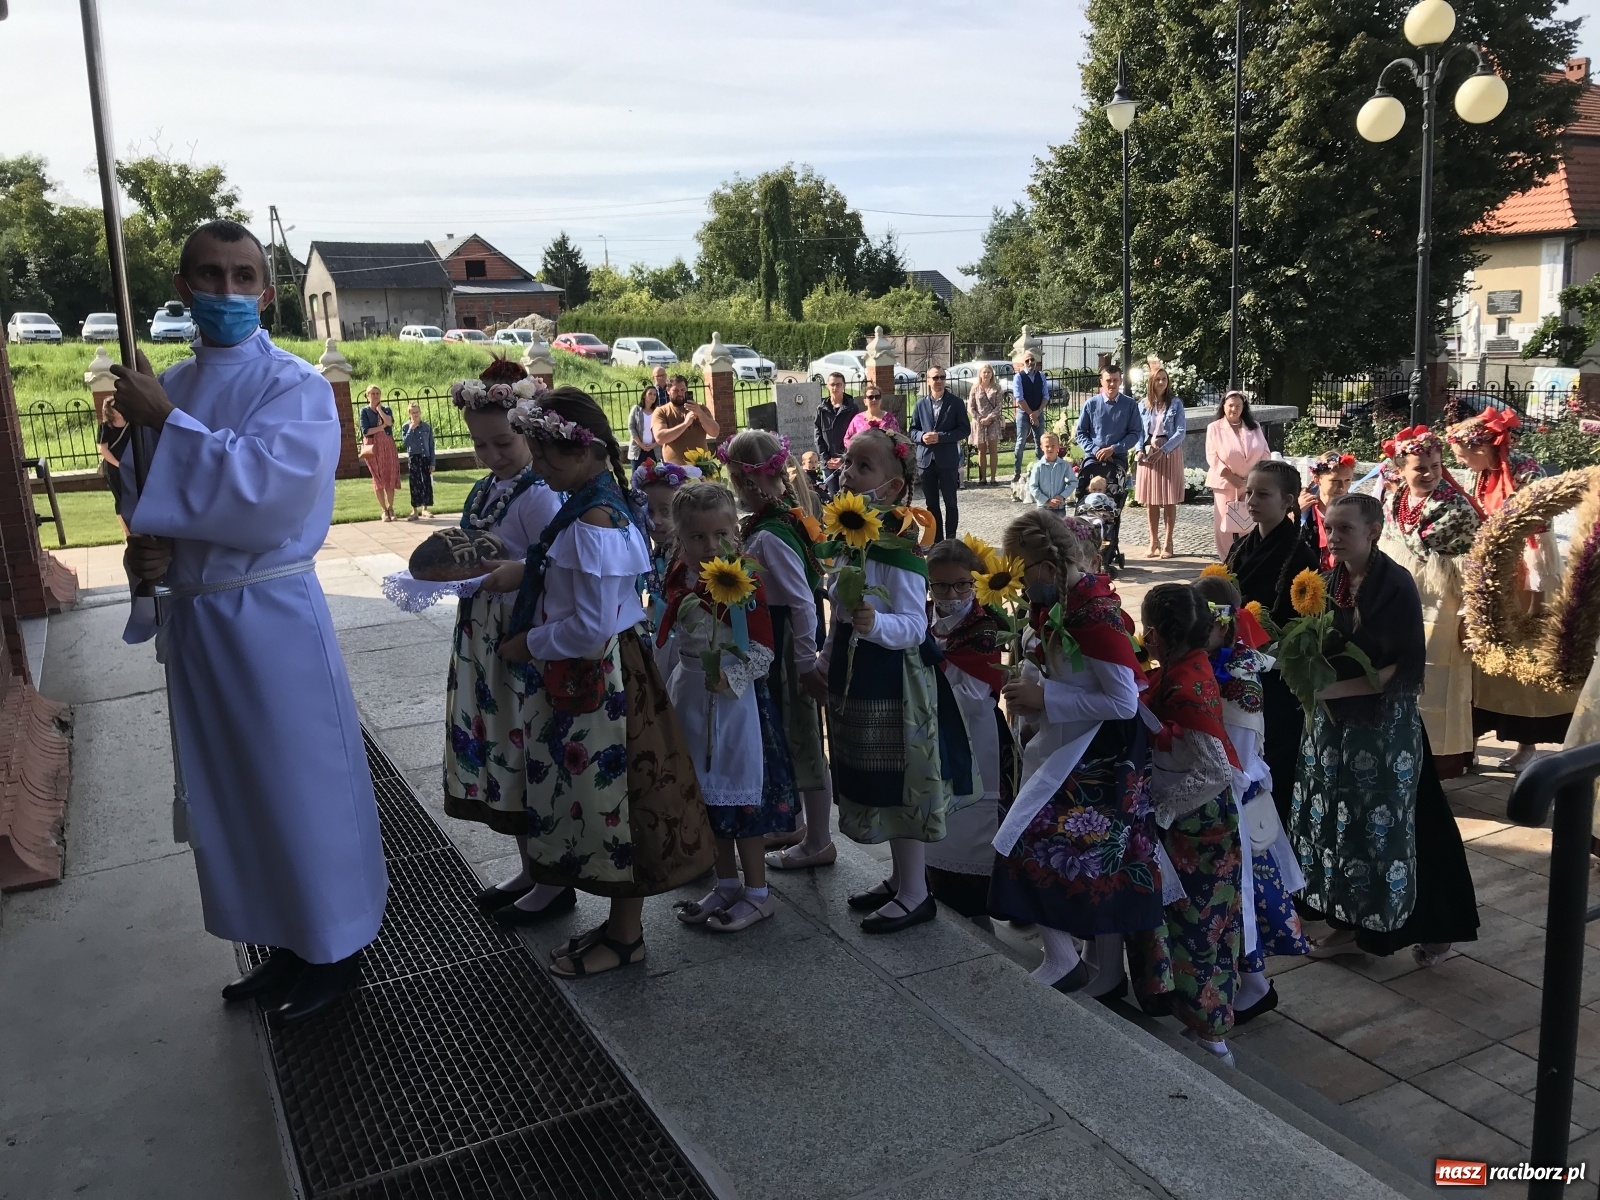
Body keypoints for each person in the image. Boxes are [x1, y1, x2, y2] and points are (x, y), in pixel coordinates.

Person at [110, 218, 386, 1024]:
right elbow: (145, 500)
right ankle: (282, 940)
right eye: (209, 275)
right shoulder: (167, 383)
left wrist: (167, 421)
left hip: (268, 616)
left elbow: (271, 496)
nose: (227, 292)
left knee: (298, 787)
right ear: (182, 288)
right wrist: (144, 559)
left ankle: (336, 948)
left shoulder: (293, 386)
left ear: (267, 293)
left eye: (243, 277)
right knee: (236, 792)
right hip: (200, 623)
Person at [490, 387, 716, 977]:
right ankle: (622, 929)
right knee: (619, 805)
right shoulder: (591, 502)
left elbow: (590, 626)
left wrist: (527, 643)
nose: (538, 468)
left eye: (548, 457)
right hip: (604, 674)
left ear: (586, 452)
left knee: (618, 804)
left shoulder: (592, 517)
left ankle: (625, 936)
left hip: (599, 680)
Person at [1289, 493, 1479, 966]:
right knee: (1340, 826)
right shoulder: (1331, 578)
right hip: (1337, 728)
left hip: (1384, 729)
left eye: (1345, 529)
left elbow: (1403, 669)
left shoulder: (1394, 584)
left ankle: (1405, 927)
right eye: (1329, 528)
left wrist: (1332, 690)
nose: (1333, 537)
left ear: (1373, 531)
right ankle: (1351, 922)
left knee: (1396, 832)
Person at [988, 511, 1159, 999]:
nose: (1019, 583)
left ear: (1045, 565)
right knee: (1091, 865)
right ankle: (1094, 967)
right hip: (1072, 742)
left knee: (1028, 840)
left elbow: (1123, 701)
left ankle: (1064, 958)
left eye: (1022, 571)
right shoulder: (1062, 603)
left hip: (1100, 755)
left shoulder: (1092, 612)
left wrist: (1047, 700)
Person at [829, 427, 967, 934]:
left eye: (864, 466)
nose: (849, 473)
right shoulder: (852, 536)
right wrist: (829, 653)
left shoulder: (899, 545)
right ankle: (899, 878)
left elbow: (913, 624)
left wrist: (875, 624)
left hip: (896, 678)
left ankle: (916, 891)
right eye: (848, 463)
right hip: (858, 669)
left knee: (903, 780)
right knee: (878, 778)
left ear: (893, 487)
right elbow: (842, 614)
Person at [442, 362, 564, 922]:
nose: (491, 455)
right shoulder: (489, 486)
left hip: (518, 636)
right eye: (479, 444)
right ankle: (529, 868)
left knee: (528, 747)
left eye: (502, 442)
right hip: (485, 632)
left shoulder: (539, 495)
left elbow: (559, 567)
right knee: (504, 750)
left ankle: (553, 882)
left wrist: (513, 573)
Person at [659, 482, 796, 933]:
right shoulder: (679, 575)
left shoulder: (742, 578)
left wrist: (731, 675)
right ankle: (726, 881)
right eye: (697, 537)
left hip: (736, 705)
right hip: (692, 695)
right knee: (707, 796)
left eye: (721, 534)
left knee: (739, 798)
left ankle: (758, 892)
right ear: (681, 537)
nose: (710, 546)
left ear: (735, 532)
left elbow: (763, 650)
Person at [1133, 583, 1245, 1064]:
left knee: (1197, 926)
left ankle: (1211, 1035)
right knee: (1207, 923)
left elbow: (1215, 769)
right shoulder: (1189, 669)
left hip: (1197, 827)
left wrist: (1162, 807)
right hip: (1203, 823)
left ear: (1154, 634)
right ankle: (1206, 1025)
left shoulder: (1182, 687)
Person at [1193, 574, 1311, 1023]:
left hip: (1234, 803)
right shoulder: (1219, 665)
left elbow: (1237, 760)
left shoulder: (1240, 682)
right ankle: (1252, 981)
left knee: (1243, 900)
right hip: (1226, 796)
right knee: (1238, 901)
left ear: (1222, 627)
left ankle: (1255, 983)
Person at [720, 432, 835, 874]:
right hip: (784, 638)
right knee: (790, 735)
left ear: (746, 482)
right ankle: (796, 824)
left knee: (803, 738)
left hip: (789, 643)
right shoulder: (784, 519)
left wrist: (805, 662)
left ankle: (820, 840)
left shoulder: (771, 533)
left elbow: (803, 600)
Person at [1449, 409, 1574, 771]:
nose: (1460, 461)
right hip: (1491, 573)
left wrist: (1536, 590)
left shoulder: (1524, 472)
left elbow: (1539, 527)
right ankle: (1467, 741)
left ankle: (1527, 745)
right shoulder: (1484, 472)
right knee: (1477, 657)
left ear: (1482, 446)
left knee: (1521, 658)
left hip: (1526, 574)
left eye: (1461, 455)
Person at [1377, 425, 1481, 779]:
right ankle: (1405, 747)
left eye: (1435, 465)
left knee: (1438, 678)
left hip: (1444, 602)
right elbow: (1387, 546)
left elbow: (1474, 564)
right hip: (1404, 600)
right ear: (1401, 468)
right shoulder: (1394, 500)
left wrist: (1471, 612)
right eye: (1420, 467)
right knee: (1404, 673)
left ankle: (1444, 758)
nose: (1429, 473)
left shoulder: (1457, 508)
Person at [1225, 460, 1320, 820]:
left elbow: (1297, 619)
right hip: (1240, 661)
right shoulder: (1243, 545)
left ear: (1288, 501)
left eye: (1263, 494)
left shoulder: (1299, 555)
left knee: (1274, 752)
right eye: (1249, 492)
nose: (1251, 500)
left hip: (1275, 670)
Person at [925, 539, 1013, 916]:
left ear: (976, 581)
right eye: (940, 586)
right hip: (931, 733)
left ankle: (979, 909)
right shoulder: (923, 618)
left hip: (976, 736)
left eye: (962, 584)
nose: (952, 594)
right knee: (935, 820)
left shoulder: (984, 627)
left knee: (973, 828)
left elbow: (974, 693)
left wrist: (927, 671)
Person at [909, 365, 971, 542]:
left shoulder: (956, 403)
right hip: (926, 461)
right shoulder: (921, 404)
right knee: (931, 504)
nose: (939, 381)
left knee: (951, 503)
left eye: (942, 377)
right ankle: (937, 541)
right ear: (928, 381)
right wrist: (922, 436)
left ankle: (950, 541)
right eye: (935, 378)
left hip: (948, 460)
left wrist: (941, 437)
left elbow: (964, 430)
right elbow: (912, 430)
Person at [1205, 389, 1268, 559]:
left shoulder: (1254, 427)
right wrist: (1230, 476)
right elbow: (1212, 456)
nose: (1234, 409)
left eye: (1238, 406)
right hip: (1226, 483)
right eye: (1231, 405)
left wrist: (1253, 476)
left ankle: (1248, 556)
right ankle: (1227, 559)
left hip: (1250, 483)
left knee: (1250, 520)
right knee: (1225, 525)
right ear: (1224, 406)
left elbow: (1265, 453)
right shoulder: (1214, 428)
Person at [1134, 359, 1186, 559]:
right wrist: (1139, 449)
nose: (1162, 382)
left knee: (1169, 500)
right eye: (1158, 380)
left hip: (1169, 451)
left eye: (1164, 379)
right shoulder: (1143, 405)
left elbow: (1180, 432)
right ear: (1151, 383)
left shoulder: (1176, 404)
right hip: (1149, 450)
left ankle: (1168, 542)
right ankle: (1153, 540)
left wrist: (1164, 450)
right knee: (1151, 500)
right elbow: (1139, 431)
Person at [1298, 450, 1356, 570]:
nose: (1342, 487)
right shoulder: (1305, 509)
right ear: (1317, 479)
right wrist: (1294, 514)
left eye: (1348, 480)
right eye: (1335, 481)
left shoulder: (1355, 509)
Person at [651, 374, 720, 465]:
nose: (679, 393)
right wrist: (685, 424)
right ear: (668, 390)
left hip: (702, 468)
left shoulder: (700, 408)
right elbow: (660, 438)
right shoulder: (661, 411)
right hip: (675, 471)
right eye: (675, 390)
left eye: (683, 390)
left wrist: (700, 413)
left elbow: (715, 432)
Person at [359, 384, 401, 521]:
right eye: (372, 393)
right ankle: (383, 509)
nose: (375, 396)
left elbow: (390, 423)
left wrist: (379, 410)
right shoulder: (364, 411)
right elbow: (366, 431)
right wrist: (382, 426)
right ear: (367, 396)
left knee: (389, 475)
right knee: (378, 477)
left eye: (377, 393)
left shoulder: (386, 409)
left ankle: (391, 508)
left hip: (388, 445)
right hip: (373, 446)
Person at [813, 372, 859, 493]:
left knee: (848, 498)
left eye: (838, 384)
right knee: (832, 499)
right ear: (827, 386)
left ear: (844, 386)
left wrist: (843, 459)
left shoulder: (852, 408)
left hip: (847, 463)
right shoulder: (821, 409)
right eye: (832, 384)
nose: (835, 388)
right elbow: (818, 436)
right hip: (828, 464)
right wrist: (826, 459)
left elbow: (856, 437)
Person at [96, 401, 132, 538]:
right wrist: (118, 464)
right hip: (114, 469)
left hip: (131, 468)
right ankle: (127, 532)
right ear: (109, 410)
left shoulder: (131, 423)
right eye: (115, 406)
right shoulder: (105, 427)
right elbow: (103, 449)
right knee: (121, 500)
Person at [1012, 353, 1048, 481]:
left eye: (1032, 359)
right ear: (1023, 363)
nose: (1030, 362)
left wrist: (1038, 412)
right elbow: (1019, 398)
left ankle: (1040, 472)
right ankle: (1017, 472)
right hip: (1023, 413)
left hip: (1038, 412)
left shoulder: (1041, 376)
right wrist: (1031, 414)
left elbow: (1046, 396)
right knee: (1021, 442)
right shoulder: (1019, 377)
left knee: (1040, 442)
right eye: (1027, 360)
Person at [967, 364, 1004, 486]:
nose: (986, 374)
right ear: (980, 374)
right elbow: (970, 407)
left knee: (993, 450)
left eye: (989, 372)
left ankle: (993, 478)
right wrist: (979, 418)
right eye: (984, 372)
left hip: (993, 422)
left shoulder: (997, 388)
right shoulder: (975, 388)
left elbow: (999, 406)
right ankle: (983, 478)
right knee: (981, 451)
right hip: (979, 423)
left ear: (992, 374)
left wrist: (989, 417)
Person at [400, 401, 435, 520]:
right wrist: (411, 429)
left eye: (417, 412)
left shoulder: (426, 427)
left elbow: (431, 445)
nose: (415, 414)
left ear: (420, 412)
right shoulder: (406, 427)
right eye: (412, 412)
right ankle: (414, 510)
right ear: (409, 414)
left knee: (426, 482)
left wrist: (432, 462)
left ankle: (425, 509)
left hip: (425, 457)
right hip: (414, 457)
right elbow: (406, 443)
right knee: (415, 483)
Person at [1027, 432, 1077, 513]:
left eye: (1053, 446)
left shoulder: (1064, 465)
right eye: (1047, 446)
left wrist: (1062, 496)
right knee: (1043, 526)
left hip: (1059, 507)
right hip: (1043, 507)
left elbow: (1073, 482)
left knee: (1059, 525)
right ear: (1041, 447)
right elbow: (1033, 486)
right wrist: (1046, 500)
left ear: (1058, 446)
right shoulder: (1038, 466)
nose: (1050, 449)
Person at [628, 384, 660, 466]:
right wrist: (641, 444)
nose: (653, 396)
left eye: (655, 394)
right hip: (638, 449)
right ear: (644, 396)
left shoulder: (658, 411)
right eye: (650, 394)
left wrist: (654, 444)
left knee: (653, 476)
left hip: (654, 450)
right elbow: (631, 427)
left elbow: (662, 429)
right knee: (637, 476)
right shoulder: (636, 409)